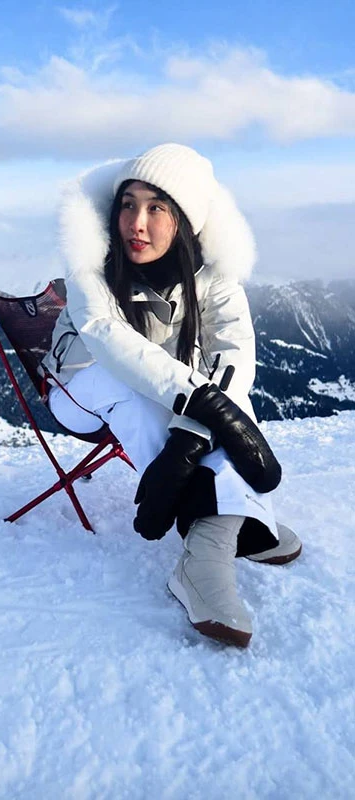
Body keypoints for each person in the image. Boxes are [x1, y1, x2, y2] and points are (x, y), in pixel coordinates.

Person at [41, 143, 301, 648]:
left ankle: (209, 545)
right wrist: (199, 406)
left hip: (162, 385)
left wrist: (191, 434)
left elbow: (233, 351)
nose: (136, 223)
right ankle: (234, 520)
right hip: (82, 385)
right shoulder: (93, 261)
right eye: (128, 204)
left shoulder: (212, 273)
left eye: (156, 207)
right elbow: (108, 339)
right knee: (151, 395)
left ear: (185, 222)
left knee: (226, 400)